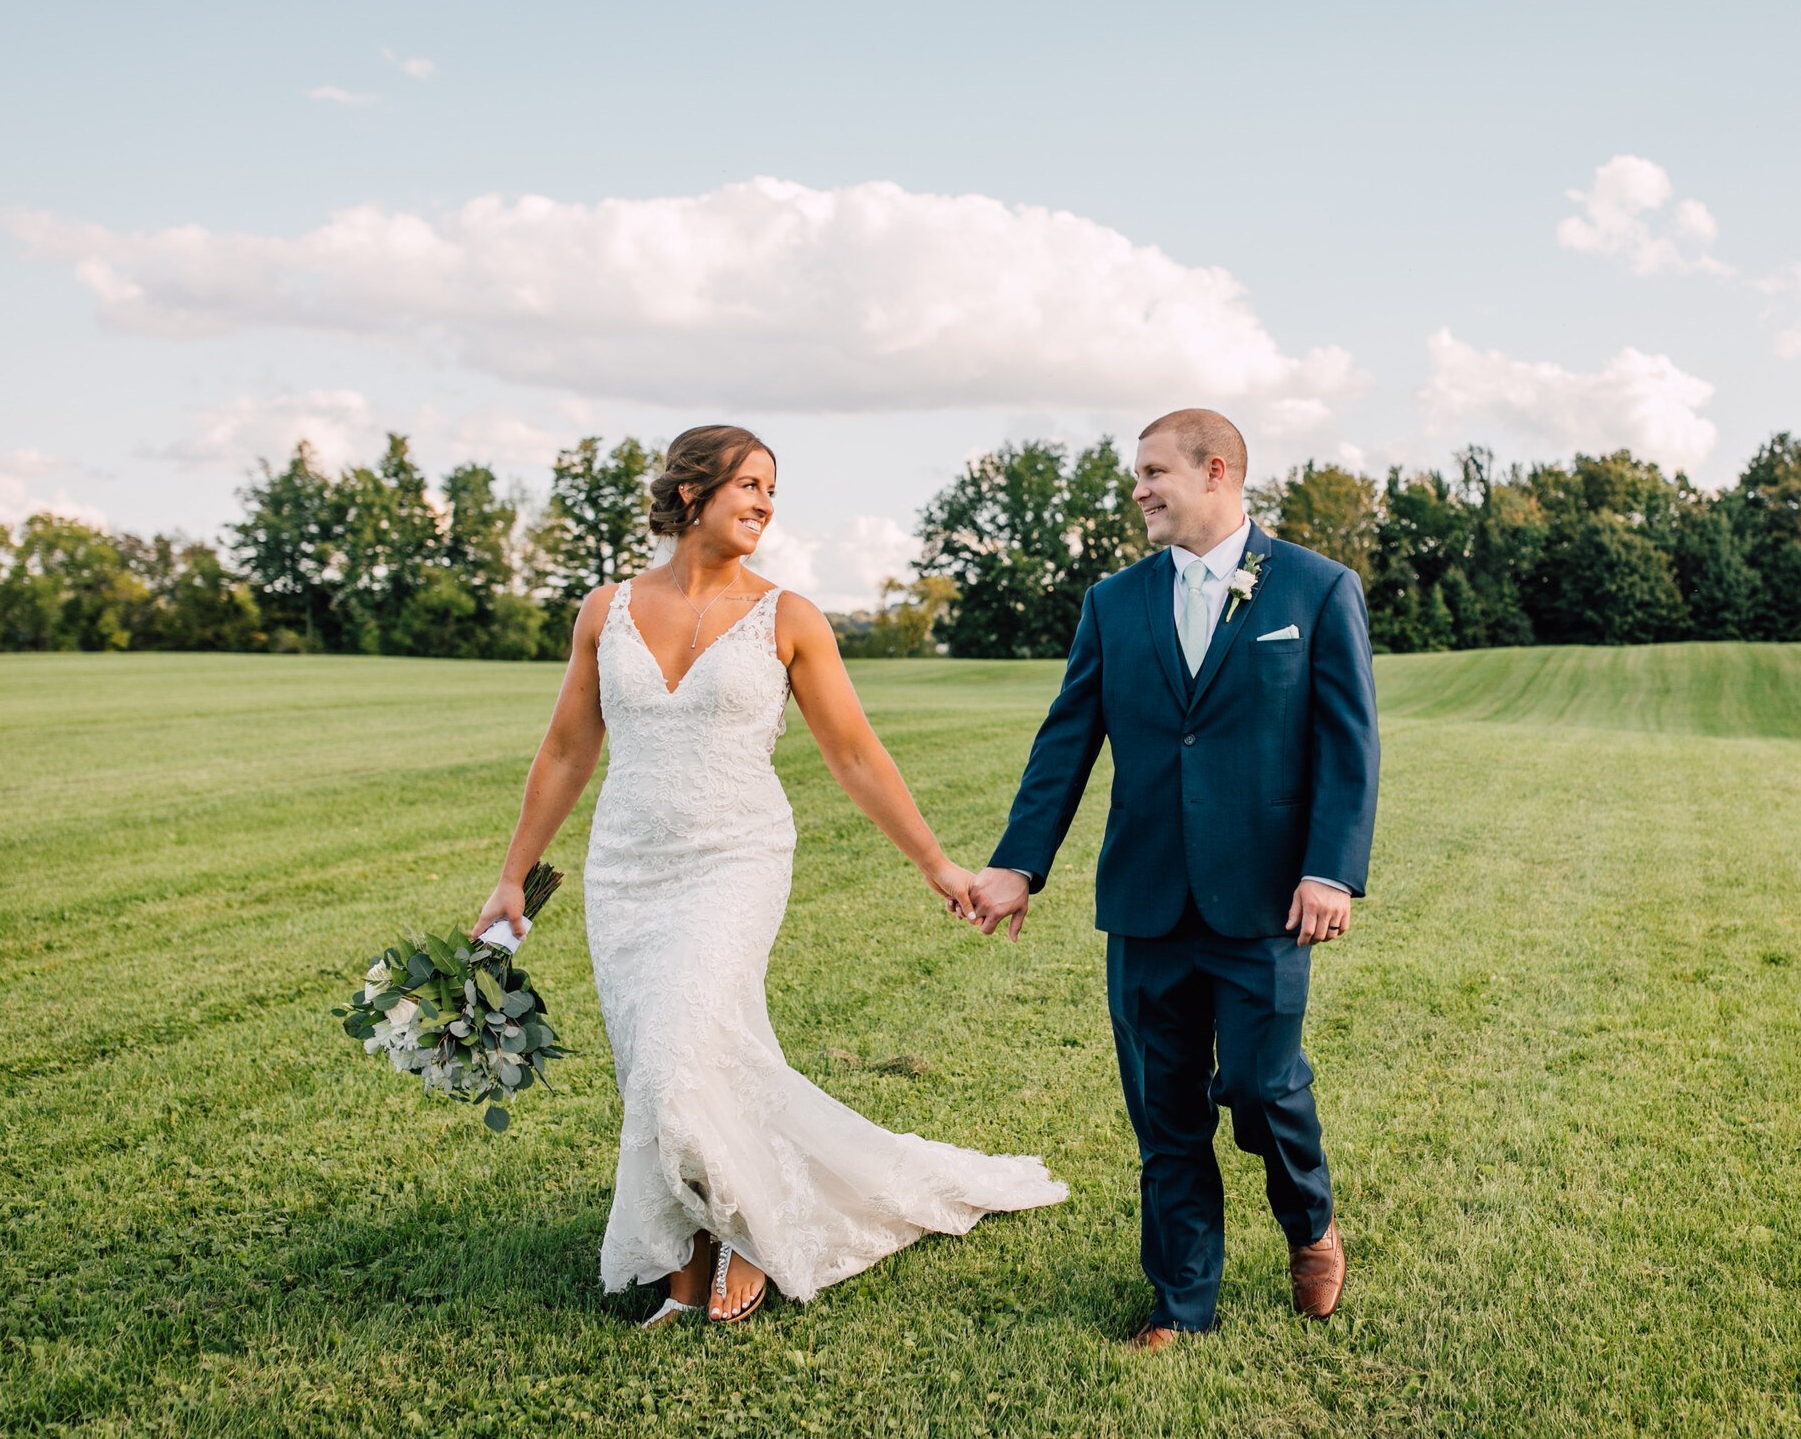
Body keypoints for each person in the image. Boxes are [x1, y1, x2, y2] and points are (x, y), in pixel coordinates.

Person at [473, 423, 1066, 1328]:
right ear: (688, 494)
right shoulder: (606, 609)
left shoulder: (789, 617)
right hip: (627, 870)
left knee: (679, 1051)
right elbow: (564, 749)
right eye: (749, 485)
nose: (765, 505)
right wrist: (513, 875)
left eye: (771, 490)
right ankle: (695, 1243)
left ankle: (747, 1233)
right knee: (665, 1066)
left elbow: (857, 755)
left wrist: (937, 862)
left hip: (735, 860)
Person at [968, 407, 1379, 1350]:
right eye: (1137, 475)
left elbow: (1348, 747)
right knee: (1165, 1107)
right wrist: (1019, 864)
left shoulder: (1316, 590)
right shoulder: (1114, 602)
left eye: (1154, 471)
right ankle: (1182, 1301)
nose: (1140, 490)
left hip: (1269, 899)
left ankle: (1309, 1223)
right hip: (1147, 899)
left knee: (1262, 1087)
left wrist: (1332, 872)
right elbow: (1066, 741)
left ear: (1217, 470)